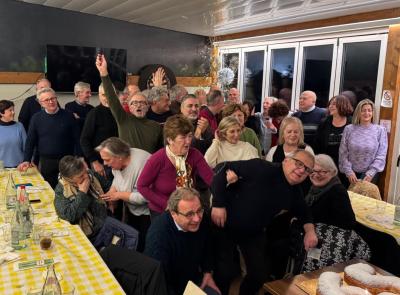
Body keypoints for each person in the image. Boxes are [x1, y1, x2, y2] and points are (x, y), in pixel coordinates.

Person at [211, 150, 318, 295]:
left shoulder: (295, 191)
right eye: (298, 164)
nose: (301, 170)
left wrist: (310, 232)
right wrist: (218, 204)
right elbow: (222, 167)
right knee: (224, 272)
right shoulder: (261, 167)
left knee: (259, 274)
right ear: (286, 160)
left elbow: (304, 213)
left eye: (307, 170)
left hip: (253, 232)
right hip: (225, 223)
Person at [300, 154, 370, 272]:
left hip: (327, 245)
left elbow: (348, 222)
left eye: (322, 171)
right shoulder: (314, 189)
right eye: (313, 170)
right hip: (314, 238)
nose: (316, 174)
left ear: (333, 172)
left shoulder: (337, 191)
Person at [144, 187, 220, 295]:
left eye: (199, 211)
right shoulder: (158, 236)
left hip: (193, 278)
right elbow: (159, 280)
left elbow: (208, 245)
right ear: (173, 213)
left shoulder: (202, 219)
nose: (197, 219)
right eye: (189, 214)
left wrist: (207, 272)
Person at [54, 156, 139, 250]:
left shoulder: (91, 174)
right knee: (129, 237)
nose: (86, 176)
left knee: (132, 235)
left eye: (85, 172)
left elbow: (109, 186)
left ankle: (119, 258)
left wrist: (110, 199)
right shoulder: (61, 190)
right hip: (88, 233)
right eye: (81, 176)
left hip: (105, 219)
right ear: (69, 179)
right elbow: (70, 216)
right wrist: (82, 193)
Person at [138, 115, 214, 219]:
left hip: (189, 207)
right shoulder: (158, 158)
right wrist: (166, 204)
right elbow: (142, 186)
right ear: (170, 140)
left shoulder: (194, 154)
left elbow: (211, 179)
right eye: (183, 137)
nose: (188, 141)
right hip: (162, 211)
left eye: (190, 136)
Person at [95, 54, 163, 153]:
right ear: (129, 107)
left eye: (142, 103)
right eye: (134, 103)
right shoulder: (123, 119)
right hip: (126, 166)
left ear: (148, 107)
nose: (139, 105)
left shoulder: (155, 126)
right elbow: (112, 98)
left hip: (148, 167)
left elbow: (160, 152)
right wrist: (103, 73)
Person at [96, 137, 151, 252]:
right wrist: (112, 192)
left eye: (107, 160)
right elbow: (117, 179)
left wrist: (119, 195)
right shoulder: (118, 163)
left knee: (142, 245)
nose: (105, 164)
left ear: (119, 157)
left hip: (148, 215)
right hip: (132, 211)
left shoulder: (142, 164)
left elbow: (145, 197)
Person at [18, 88, 80, 188]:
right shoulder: (36, 118)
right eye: (47, 100)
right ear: (40, 103)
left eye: (53, 98)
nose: (51, 102)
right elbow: (30, 141)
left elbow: (77, 138)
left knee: (69, 189)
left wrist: (80, 157)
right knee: (49, 189)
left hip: (67, 161)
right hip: (46, 162)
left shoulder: (68, 115)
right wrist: (26, 160)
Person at [339, 99, 388, 185]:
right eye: (363, 110)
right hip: (350, 175)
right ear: (358, 112)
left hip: (370, 176)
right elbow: (343, 152)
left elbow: (381, 154)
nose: (366, 113)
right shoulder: (349, 129)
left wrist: (370, 173)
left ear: (373, 113)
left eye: (369, 110)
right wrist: (349, 172)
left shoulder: (380, 130)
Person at [80, 82, 118, 179]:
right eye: (103, 94)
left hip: (119, 162)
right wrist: (94, 162)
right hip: (101, 164)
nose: (106, 97)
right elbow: (84, 140)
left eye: (109, 94)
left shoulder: (120, 113)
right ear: (99, 95)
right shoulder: (94, 114)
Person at [314, 95, 353, 183]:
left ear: (343, 105)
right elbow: (317, 145)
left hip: (347, 167)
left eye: (334, 104)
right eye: (330, 104)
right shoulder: (324, 123)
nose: (330, 106)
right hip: (328, 166)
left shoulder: (352, 123)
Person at [0, 100, 26, 168]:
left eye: (13, 110)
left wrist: (28, 161)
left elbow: (26, 147)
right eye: (10, 110)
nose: (13, 112)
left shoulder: (20, 126)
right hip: (1, 169)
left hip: (20, 167)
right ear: (1, 113)